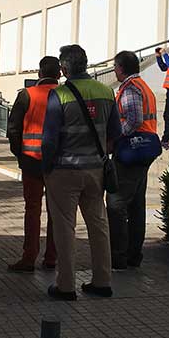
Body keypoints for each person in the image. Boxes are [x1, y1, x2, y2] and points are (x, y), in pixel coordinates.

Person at [41, 44, 121, 301]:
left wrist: (47, 168)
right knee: (99, 225)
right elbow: (115, 135)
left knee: (65, 227)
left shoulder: (60, 95)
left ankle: (66, 286)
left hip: (64, 171)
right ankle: (102, 281)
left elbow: (50, 140)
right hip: (96, 171)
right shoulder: (107, 92)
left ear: (64, 68)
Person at [5, 57, 60, 272]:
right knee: (56, 212)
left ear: (39, 73)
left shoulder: (27, 95)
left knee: (32, 210)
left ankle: (29, 258)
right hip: (57, 164)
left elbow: (13, 129)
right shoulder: (66, 94)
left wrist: (19, 154)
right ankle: (52, 258)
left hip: (31, 162)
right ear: (60, 73)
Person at [107, 51, 158, 270]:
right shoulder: (143, 86)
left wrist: (117, 137)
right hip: (144, 149)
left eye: (115, 67)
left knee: (116, 204)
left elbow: (134, 119)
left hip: (131, 151)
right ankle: (133, 255)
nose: (114, 70)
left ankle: (119, 256)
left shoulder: (129, 89)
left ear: (120, 68)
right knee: (136, 205)